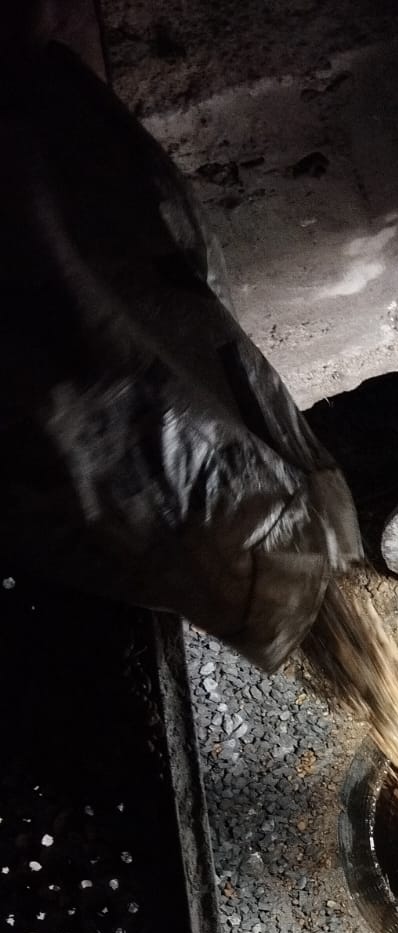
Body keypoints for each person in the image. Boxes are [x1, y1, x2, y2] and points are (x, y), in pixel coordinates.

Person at [0, 8, 361, 671]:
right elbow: (123, 396)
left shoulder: (311, 537)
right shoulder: (261, 559)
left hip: (130, 340)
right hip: (114, 340)